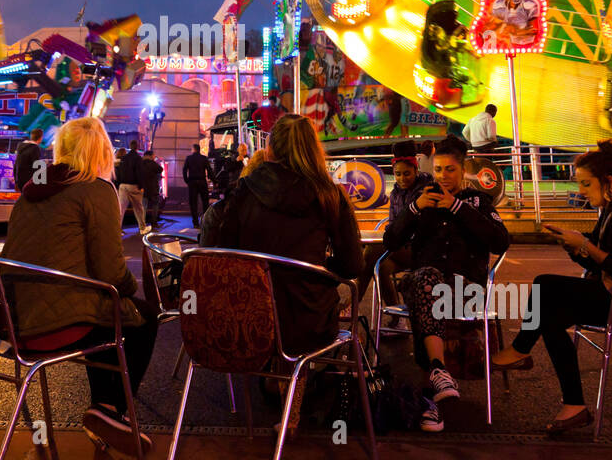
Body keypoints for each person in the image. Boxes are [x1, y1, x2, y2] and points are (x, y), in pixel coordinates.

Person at [494, 140, 612, 435]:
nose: (580, 190)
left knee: (544, 285)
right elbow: (594, 262)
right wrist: (573, 244)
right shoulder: (611, 208)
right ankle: (574, 406)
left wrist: (584, 246)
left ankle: (520, 350)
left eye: (585, 183)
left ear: (607, 181)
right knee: (551, 319)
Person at [0, 117, 159, 456]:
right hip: (59, 325)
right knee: (144, 316)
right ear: (101, 152)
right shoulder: (97, 189)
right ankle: (110, 408)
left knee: (102, 311)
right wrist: (136, 287)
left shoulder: (31, 191)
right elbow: (112, 273)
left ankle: (103, 410)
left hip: (16, 324)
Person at [201, 114, 362, 356]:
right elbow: (352, 265)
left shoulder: (244, 190)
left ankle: (276, 378)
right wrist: (317, 267)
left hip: (248, 314)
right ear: (313, 149)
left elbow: (226, 251)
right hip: (308, 319)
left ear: (270, 149)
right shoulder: (329, 194)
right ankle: (301, 380)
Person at [372, 135, 508, 410]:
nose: (443, 176)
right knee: (425, 278)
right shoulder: (423, 203)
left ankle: (434, 374)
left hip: (464, 289)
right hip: (424, 285)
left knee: (428, 284)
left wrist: (457, 208)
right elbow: (390, 242)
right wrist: (414, 208)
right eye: (437, 170)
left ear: (462, 170)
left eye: (450, 170)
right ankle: (439, 373)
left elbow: (500, 241)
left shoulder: (477, 202)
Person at [356, 150, 434, 300]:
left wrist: (396, 231)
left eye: (407, 173)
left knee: (373, 250)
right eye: (398, 174)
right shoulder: (395, 193)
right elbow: (393, 225)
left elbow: (418, 228)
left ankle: (354, 300)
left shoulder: (425, 192)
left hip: (421, 250)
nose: (402, 178)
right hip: (401, 247)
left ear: (416, 171)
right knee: (381, 267)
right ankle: (397, 321)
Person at [115, 137, 149, 234]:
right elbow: (139, 173)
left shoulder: (123, 158)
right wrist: (141, 186)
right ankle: (142, 228)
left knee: (121, 209)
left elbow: (119, 172)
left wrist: (120, 183)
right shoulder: (138, 159)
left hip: (123, 186)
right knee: (138, 208)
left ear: (130, 147)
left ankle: (117, 229)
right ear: (137, 147)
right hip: (133, 186)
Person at [183, 142, 211, 228]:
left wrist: (187, 180)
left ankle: (195, 223)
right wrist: (213, 180)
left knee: (193, 203)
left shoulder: (188, 158)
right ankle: (205, 221)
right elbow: (209, 170)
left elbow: (184, 170)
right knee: (205, 202)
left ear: (193, 149)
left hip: (192, 182)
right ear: (199, 150)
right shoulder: (204, 158)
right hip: (202, 181)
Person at [140, 150, 164, 226]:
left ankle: (142, 223)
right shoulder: (153, 163)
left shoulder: (140, 163)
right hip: (153, 188)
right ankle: (154, 222)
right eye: (153, 155)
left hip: (143, 188)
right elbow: (160, 169)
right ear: (150, 156)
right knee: (155, 205)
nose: (154, 157)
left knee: (143, 206)